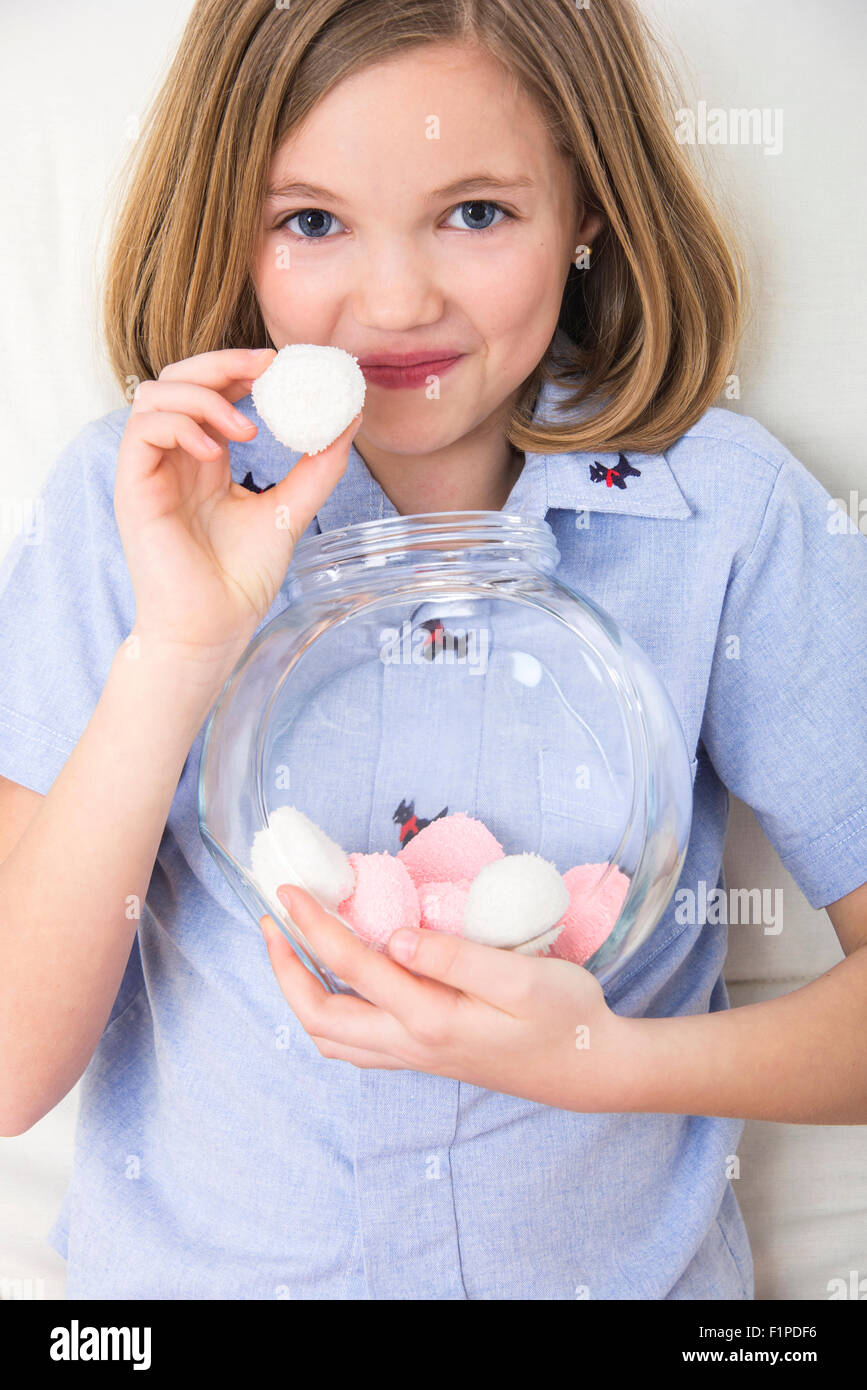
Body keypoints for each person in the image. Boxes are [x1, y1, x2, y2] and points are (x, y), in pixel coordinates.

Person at [0, 0, 865, 1301]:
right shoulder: (133, 503)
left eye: (475, 213)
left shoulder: (723, 515)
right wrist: (181, 641)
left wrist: (606, 1062)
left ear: (588, 207)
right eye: (312, 220)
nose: (396, 299)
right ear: (234, 225)